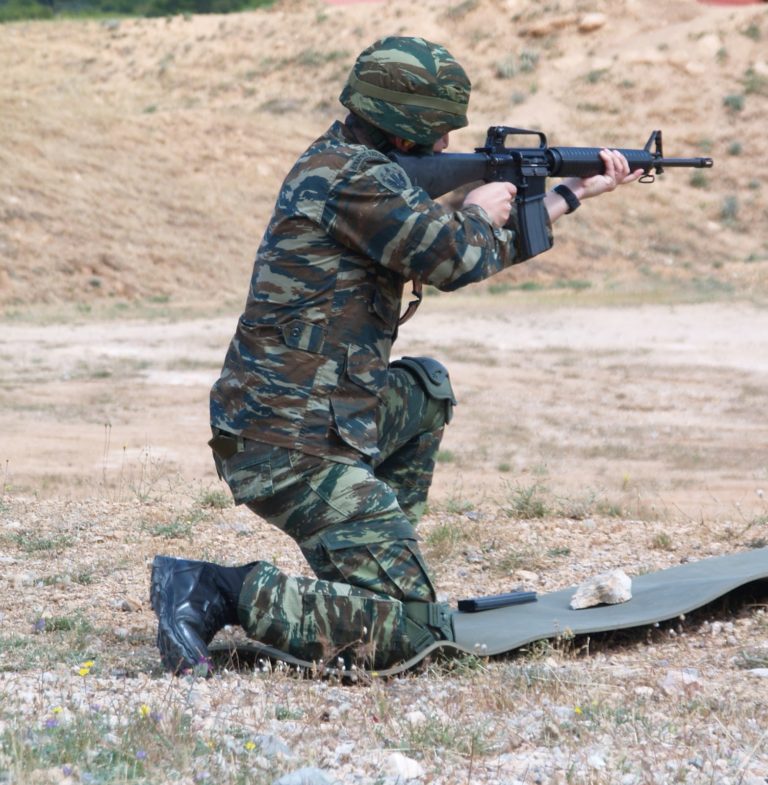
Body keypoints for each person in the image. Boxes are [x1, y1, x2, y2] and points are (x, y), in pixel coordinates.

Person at [150, 35, 641, 675]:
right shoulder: (354, 178)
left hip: (324, 416)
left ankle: (371, 555)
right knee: (413, 632)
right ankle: (213, 589)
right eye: (438, 130)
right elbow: (454, 257)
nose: (446, 146)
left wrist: (567, 195)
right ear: (405, 128)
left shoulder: (351, 167)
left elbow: (453, 250)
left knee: (427, 387)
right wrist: (478, 210)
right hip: (289, 442)